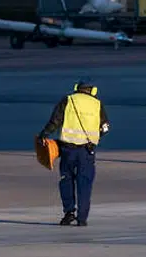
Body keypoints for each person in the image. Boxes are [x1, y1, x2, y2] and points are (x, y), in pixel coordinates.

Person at [39, 79, 111, 226]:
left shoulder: (68, 100)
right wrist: (94, 139)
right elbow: (105, 127)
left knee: (66, 180)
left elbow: (55, 121)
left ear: (77, 88)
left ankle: (69, 212)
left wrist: (43, 135)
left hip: (67, 149)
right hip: (87, 150)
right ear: (93, 90)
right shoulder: (97, 104)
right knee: (84, 183)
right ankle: (82, 218)